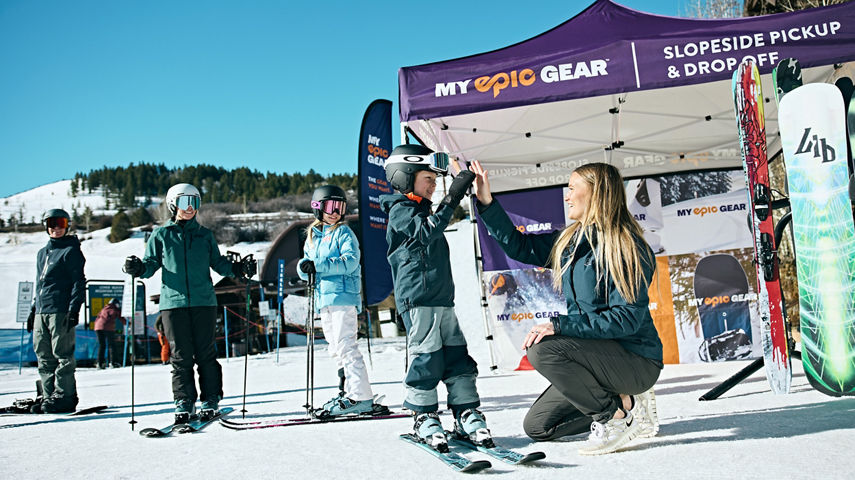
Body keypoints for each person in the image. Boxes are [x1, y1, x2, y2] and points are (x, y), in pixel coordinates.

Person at [470, 160, 662, 455]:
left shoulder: (626, 247)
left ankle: (613, 419)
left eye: (573, 188)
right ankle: (628, 404)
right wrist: (486, 202)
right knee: (539, 427)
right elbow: (519, 247)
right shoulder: (571, 242)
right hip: (595, 356)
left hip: (634, 360)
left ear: (596, 193)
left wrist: (559, 325)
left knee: (543, 348)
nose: (567, 195)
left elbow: (626, 319)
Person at [380, 144, 489, 452]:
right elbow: (426, 232)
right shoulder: (400, 210)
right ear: (404, 177)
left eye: (435, 179)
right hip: (418, 300)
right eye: (427, 177)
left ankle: (466, 411)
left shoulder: (424, 209)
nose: (433, 184)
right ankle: (424, 415)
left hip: (442, 299)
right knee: (427, 357)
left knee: (457, 357)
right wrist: (452, 195)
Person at [122, 183, 255, 424]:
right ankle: (184, 400)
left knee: (206, 353)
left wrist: (238, 269)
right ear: (173, 205)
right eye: (185, 202)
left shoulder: (204, 235)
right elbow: (150, 264)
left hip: (204, 301)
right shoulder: (161, 235)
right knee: (180, 356)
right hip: (173, 304)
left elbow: (218, 263)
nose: (191, 207)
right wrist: (138, 268)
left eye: (195, 202)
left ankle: (210, 399)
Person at [297, 185, 384, 417]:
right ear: (317, 208)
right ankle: (346, 391)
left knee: (346, 345)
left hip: (343, 296)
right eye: (330, 206)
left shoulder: (344, 233)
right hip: (323, 298)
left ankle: (361, 396)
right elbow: (307, 265)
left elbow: (350, 262)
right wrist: (303, 267)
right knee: (335, 349)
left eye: (340, 207)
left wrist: (319, 266)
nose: (335, 212)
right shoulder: (313, 237)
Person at [26, 208, 86, 413]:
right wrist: (33, 310)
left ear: (67, 225)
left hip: (60, 310)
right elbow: (39, 284)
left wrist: (73, 309)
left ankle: (64, 396)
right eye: (52, 223)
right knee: (43, 355)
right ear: (46, 226)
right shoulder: (42, 253)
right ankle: (48, 394)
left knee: (62, 354)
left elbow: (78, 282)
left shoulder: (71, 251)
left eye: (61, 223)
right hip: (42, 311)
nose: (56, 228)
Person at [93, 298, 122, 369]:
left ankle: (100, 363)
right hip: (107, 328)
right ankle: (113, 362)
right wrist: (128, 323)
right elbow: (117, 315)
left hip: (97, 328)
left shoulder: (104, 309)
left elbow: (98, 317)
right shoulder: (113, 309)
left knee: (102, 345)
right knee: (112, 345)